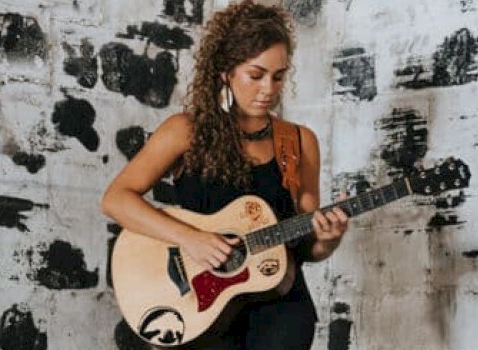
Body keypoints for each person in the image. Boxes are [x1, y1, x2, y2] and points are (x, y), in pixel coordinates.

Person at [101, 1, 349, 349]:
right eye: (256, 75)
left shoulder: (298, 141)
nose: (269, 89)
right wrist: (190, 238)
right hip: (200, 311)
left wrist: (329, 239)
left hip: (280, 314)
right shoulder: (184, 131)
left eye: (279, 76)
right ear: (225, 72)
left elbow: (306, 246)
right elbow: (116, 199)